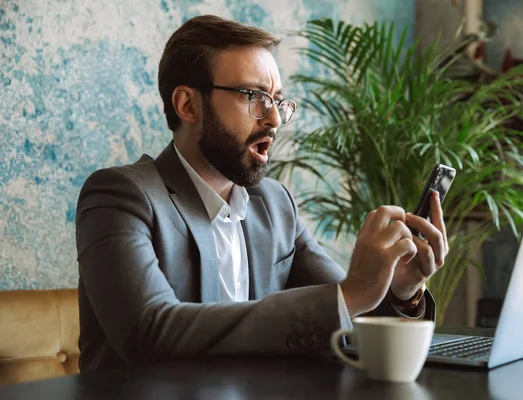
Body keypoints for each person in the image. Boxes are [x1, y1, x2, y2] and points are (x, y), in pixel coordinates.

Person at [75, 14, 448, 374]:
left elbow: (344, 317)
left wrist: (400, 289)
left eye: (277, 101)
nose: (273, 120)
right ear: (188, 105)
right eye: (254, 96)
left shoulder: (275, 204)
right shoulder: (120, 196)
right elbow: (149, 331)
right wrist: (350, 295)